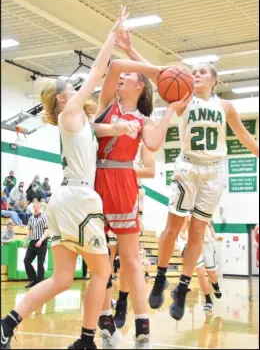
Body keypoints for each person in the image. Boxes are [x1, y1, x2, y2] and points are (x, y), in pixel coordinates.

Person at [0, 6, 139, 350]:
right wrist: (112, 34)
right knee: (102, 272)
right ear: (63, 98)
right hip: (79, 199)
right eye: (71, 88)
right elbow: (95, 70)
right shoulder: (71, 113)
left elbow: (102, 128)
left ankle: (6, 324)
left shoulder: (79, 123)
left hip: (64, 201)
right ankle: (87, 340)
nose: (78, 88)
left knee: (62, 278)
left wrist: (121, 127)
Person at [114, 29, 259, 321]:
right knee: (171, 228)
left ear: (214, 79)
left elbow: (244, 137)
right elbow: (157, 73)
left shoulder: (226, 106)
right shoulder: (183, 95)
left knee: (196, 233)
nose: (196, 74)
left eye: (202, 72)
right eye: (193, 71)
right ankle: (161, 277)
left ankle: (182, 288)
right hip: (187, 166)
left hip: (215, 171)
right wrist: (130, 50)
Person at [94, 28, 190, 348]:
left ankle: (142, 325)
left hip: (124, 183)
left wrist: (170, 111)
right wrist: (153, 67)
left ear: (139, 86)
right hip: (97, 181)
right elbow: (114, 67)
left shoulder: (144, 119)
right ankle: (106, 318)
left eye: (131, 76)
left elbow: (154, 141)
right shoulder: (107, 101)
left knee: (132, 260)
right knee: (99, 257)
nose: (123, 78)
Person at [113, 142, 155, 329]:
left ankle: (122, 301)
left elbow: (150, 171)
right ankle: (106, 311)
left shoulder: (142, 139)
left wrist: (124, 170)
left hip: (133, 194)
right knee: (107, 256)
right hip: (110, 192)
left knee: (127, 258)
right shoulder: (111, 129)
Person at [177, 217, 223, 313]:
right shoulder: (188, 216)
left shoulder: (208, 215)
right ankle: (208, 300)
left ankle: (216, 287)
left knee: (212, 275)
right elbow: (181, 232)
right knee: (201, 272)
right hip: (195, 246)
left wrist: (215, 237)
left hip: (207, 247)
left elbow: (211, 228)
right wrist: (189, 239)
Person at [23, 202, 49, 288]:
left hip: (42, 242)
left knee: (40, 263)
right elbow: (29, 232)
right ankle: (32, 279)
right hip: (33, 242)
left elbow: (46, 231)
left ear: (40, 208)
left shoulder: (44, 217)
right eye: (34, 207)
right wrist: (26, 241)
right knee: (26, 260)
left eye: (37, 207)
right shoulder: (30, 218)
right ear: (33, 208)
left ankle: (40, 281)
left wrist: (41, 240)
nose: (36, 208)